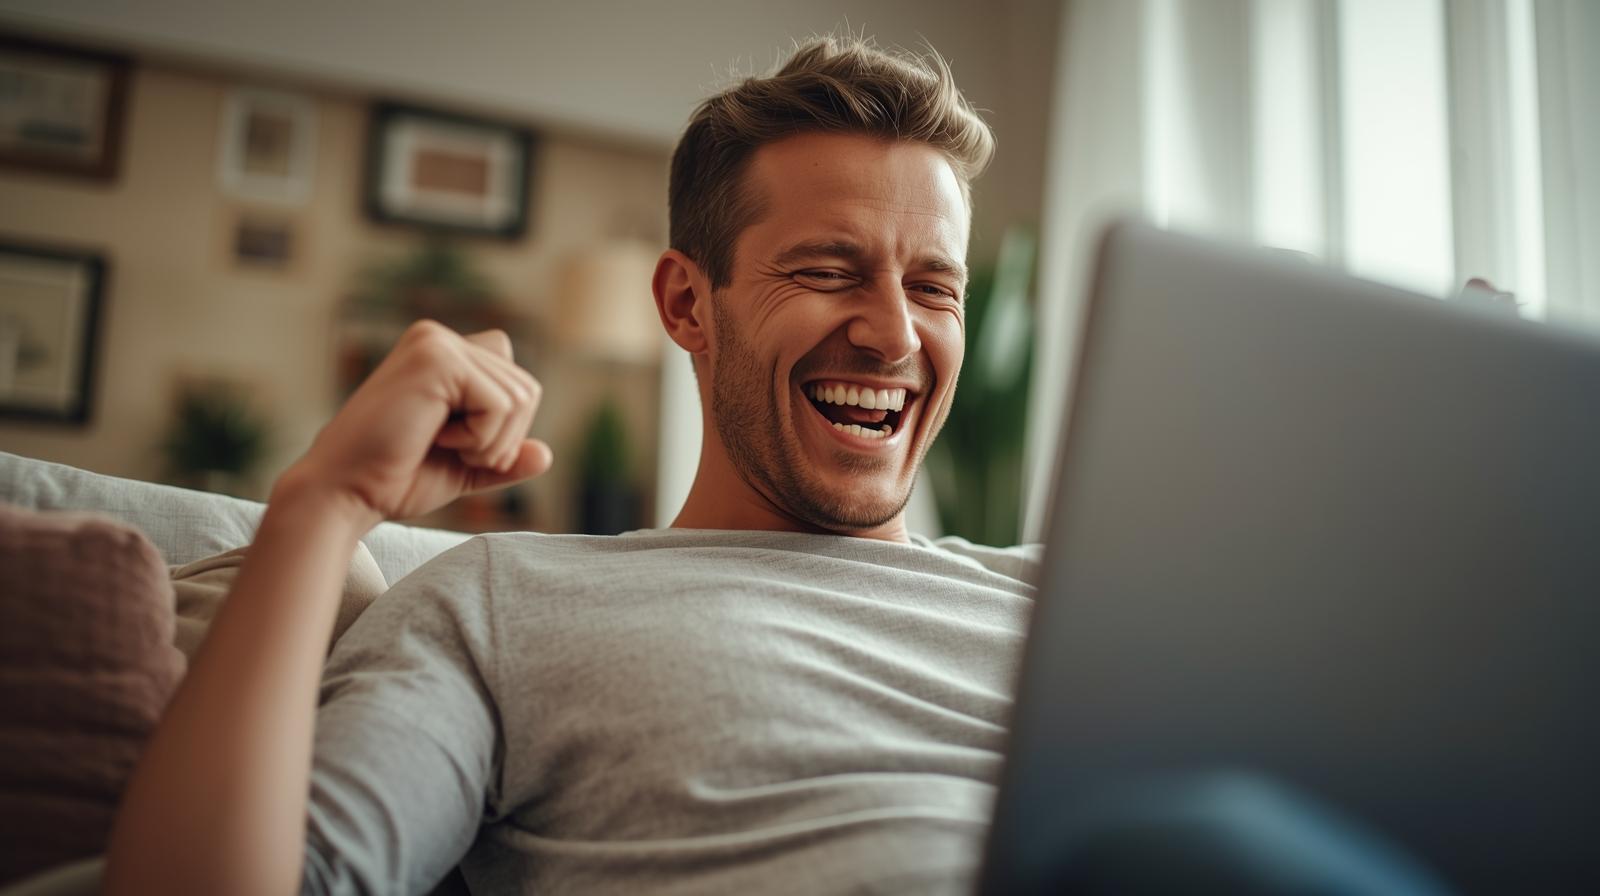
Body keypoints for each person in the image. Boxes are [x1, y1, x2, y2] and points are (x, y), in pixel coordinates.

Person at [105, 34, 1038, 895]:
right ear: (685, 304)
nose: (891, 334)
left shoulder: (1064, 605)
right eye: (827, 271)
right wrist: (323, 503)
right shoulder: (508, 602)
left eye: (932, 288)